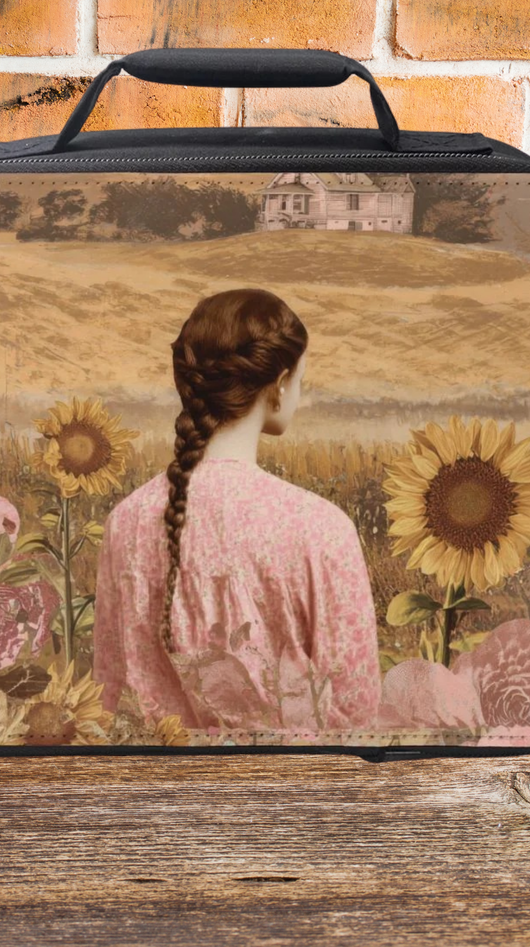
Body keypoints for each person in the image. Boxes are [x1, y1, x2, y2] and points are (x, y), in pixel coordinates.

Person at [92, 288, 381, 736]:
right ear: (281, 383)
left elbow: (108, 696)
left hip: (154, 798)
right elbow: (355, 710)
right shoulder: (320, 529)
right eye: (301, 380)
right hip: (285, 798)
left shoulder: (125, 522)